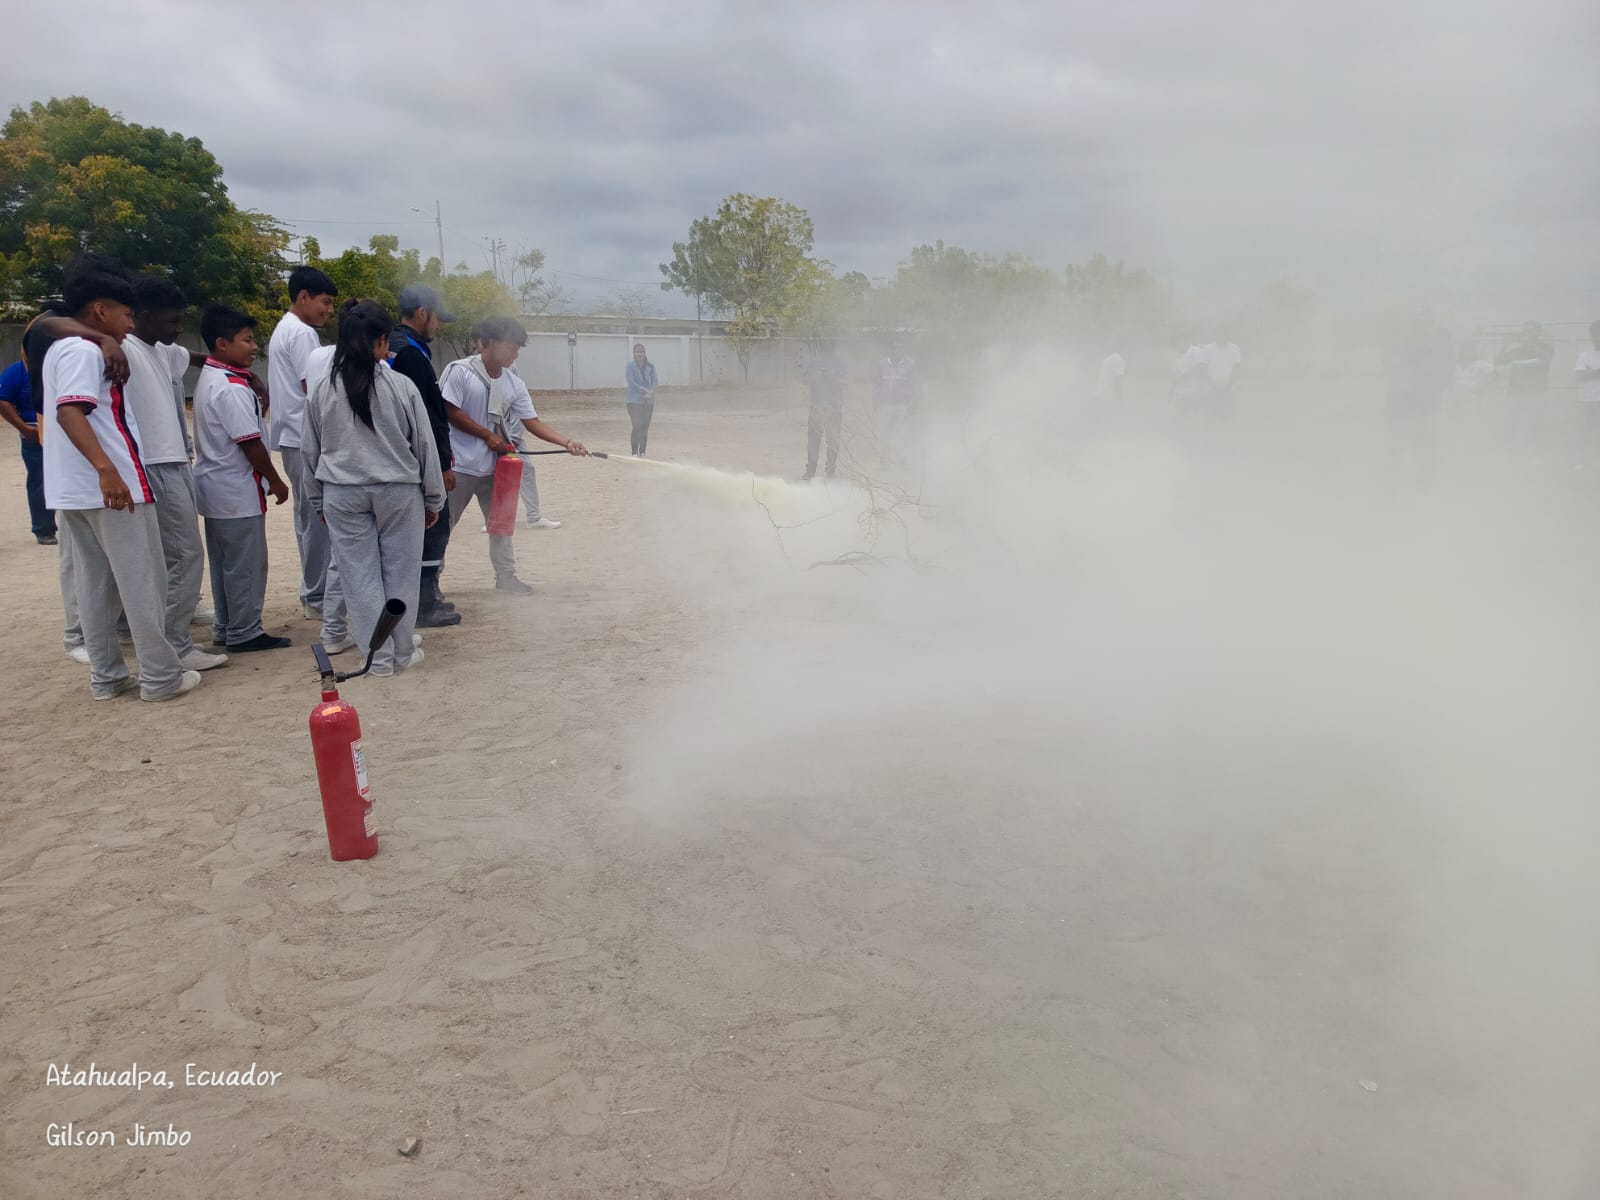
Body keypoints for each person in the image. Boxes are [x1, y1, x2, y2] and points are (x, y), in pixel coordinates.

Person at [41, 255, 200, 702]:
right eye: (126, 314)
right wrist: (107, 470)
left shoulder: (64, 348)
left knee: (97, 587)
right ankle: (160, 678)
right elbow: (71, 412)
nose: (130, 324)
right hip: (112, 487)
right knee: (143, 581)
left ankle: (108, 677)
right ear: (100, 310)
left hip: (76, 490)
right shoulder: (84, 351)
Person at [303, 299, 444, 676]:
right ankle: (400, 654)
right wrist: (433, 498)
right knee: (400, 576)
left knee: (359, 579)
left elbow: (309, 451)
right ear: (382, 341)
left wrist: (318, 501)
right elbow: (425, 445)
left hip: (342, 493)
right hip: (398, 492)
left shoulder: (322, 389)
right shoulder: (400, 386)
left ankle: (377, 661)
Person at [22, 284, 134, 664]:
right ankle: (78, 637)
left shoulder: (78, 344)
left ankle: (100, 640)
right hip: (75, 464)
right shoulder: (67, 341)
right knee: (82, 564)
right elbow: (45, 324)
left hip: (79, 463)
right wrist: (103, 338)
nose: (130, 324)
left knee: (94, 566)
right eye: (126, 315)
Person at [123, 276, 229, 672]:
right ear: (142, 315)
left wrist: (234, 367)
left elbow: (192, 356)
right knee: (184, 554)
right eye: (171, 321)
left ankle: (169, 637)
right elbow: (54, 326)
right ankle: (175, 646)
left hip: (174, 460)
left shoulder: (160, 348)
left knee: (175, 555)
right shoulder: (124, 348)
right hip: (156, 462)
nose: (177, 329)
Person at [441, 316, 587, 595]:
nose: (515, 354)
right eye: (511, 347)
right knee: (443, 526)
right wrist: (487, 435)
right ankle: (430, 582)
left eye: (518, 348)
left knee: (501, 524)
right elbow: (449, 410)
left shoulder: (513, 383)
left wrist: (567, 442)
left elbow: (532, 422)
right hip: (458, 465)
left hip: (496, 467)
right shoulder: (460, 372)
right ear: (489, 343)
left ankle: (506, 577)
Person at [194, 306, 291, 652]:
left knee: (225, 564)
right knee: (246, 564)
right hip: (236, 488)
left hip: (216, 486)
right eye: (247, 340)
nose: (254, 347)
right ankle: (245, 631)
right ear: (222, 343)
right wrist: (275, 480)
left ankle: (227, 626)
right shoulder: (231, 387)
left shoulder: (212, 376)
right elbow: (249, 442)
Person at [387, 285, 464, 628]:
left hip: (400, 456)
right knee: (435, 524)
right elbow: (427, 418)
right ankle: (424, 603)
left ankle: (423, 596)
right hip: (418, 459)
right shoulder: (411, 356)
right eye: (436, 319)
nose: (438, 326)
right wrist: (443, 464)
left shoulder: (395, 345)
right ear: (422, 313)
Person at [267, 266, 339, 619]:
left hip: (294, 437)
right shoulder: (302, 334)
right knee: (317, 518)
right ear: (304, 297)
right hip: (305, 437)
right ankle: (317, 596)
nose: (329, 310)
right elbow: (315, 388)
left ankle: (316, 592)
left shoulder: (285, 328)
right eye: (325, 302)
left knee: (308, 517)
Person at [1383, 317, 1453, 491]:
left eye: (1423, 328)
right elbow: (1391, 371)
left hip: (1425, 404)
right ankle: (1394, 482)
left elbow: (1445, 374)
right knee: (1398, 445)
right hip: (1403, 404)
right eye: (1416, 328)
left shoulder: (1438, 349)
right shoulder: (1399, 348)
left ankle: (1423, 483)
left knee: (1424, 446)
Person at [0, 357, 55, 545]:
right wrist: (23, 428)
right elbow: (2, 399)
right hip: (34, 431)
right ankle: (44, 528)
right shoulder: (18, 371)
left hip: (68, 429)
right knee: (40, 480)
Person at [1496, 321, 1554, 448]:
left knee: (1536, 425)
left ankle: (1536, 451)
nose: (1526, 333)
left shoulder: (1546, 347)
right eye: (1524, 331)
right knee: (1512, 424)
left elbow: (1547, 358)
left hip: (1536, 393)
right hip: (1515, 393)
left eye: (1529, 331)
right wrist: (1505, 345)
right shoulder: (1516, 350)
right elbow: (1499, 362)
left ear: (1538, 332)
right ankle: (1512, 450)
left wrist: (1529, 344)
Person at [801, 339, 846, 480]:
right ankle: (811, 470)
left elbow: (846, 383)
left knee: (833, 440)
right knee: (813, 440)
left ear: (833, 350)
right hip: (816, 407)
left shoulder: (840, 363)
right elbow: (804, 380)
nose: (827, 353)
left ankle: (831, 469)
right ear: (822, 350)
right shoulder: (814, 363)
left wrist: (833, 378)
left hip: (834, 408)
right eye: (825, 351)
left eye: (829, 351)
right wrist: (814, 377)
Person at [873, 339, 920, 463]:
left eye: (900, 348)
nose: (897, 350)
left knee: (902, 432)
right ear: (890, 350)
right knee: (884, 432)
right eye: (894, 348)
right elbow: (877, 384)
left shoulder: (910, 364)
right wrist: (875, 401)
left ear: (903, 350)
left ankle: (902, 460)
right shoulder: (882, 364)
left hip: (903, 405)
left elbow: (916, 385)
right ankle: (884, 460)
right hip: (884, 405)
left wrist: (914, 403)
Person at [625, 343, 658, 456]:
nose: (640, 354)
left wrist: (651, 391)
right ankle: (634, 452)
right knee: (637, 426)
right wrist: (645, 391)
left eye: (642, 352)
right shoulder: (630, 366)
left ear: (645, 353)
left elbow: (655, 381)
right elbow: (631, 382)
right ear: (634, 354)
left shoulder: (651, 366)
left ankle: (642, 452)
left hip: (648, 402)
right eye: (637, 352)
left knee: (645, 427)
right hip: (633, 401)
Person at [1574, 321, 1600, 463]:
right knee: (1586, 435)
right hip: (1587, 402)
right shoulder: (1584, 355)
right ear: (1592, 336)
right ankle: (1584, 463)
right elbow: (1579, 376)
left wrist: (1591, 372)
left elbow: (1586, 375)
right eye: (1596, 333)